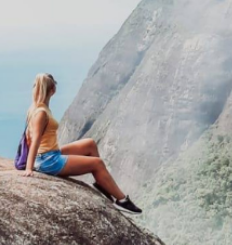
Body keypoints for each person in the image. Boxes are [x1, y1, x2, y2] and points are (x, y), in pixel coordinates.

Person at [21, 73, 142, 214]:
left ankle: (102, 183)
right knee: (97, 163)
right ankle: (121, 201)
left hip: (51, 154)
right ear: (52, 90)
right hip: (47, 160)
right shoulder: (41, 112)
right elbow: (34, 139)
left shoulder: (37, 108)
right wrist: (29, 168)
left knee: (90, 144)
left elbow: (28, 137)